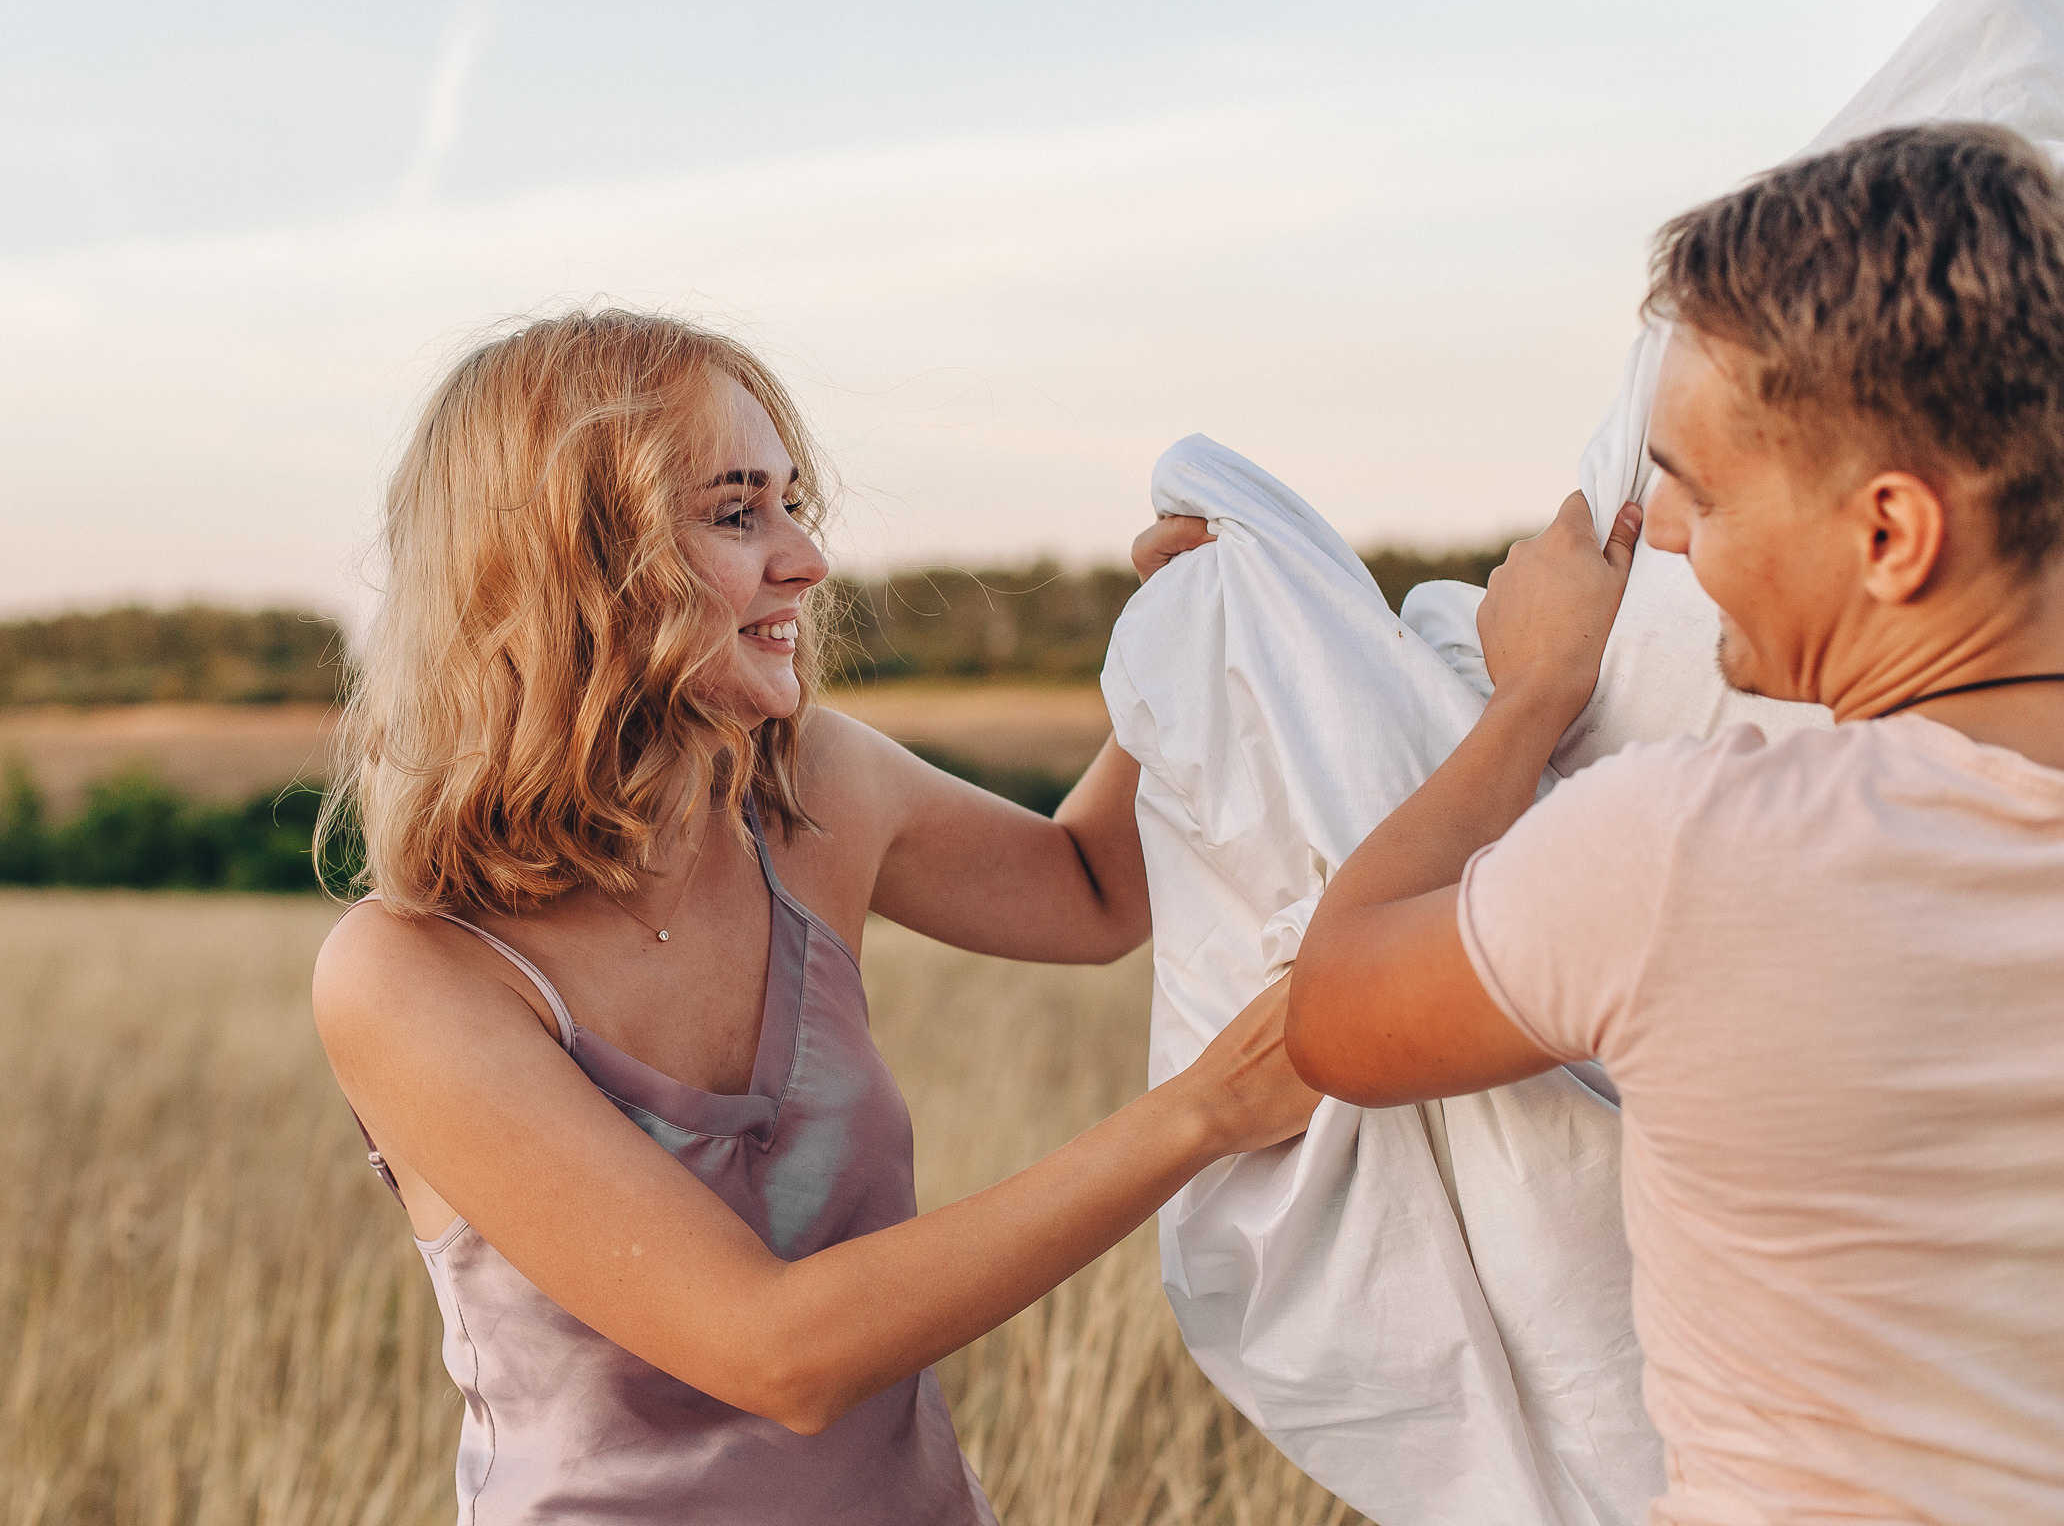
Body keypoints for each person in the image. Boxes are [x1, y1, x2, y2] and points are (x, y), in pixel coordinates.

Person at [309, 309, 1317, 1524]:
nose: (806, 559)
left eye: (795, 505)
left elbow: (1094, 888)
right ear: (569, 564)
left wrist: (1189, 632)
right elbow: (776, 1352)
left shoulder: (812, 788)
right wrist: (1205, 1112)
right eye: (737, 514)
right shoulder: (410, 971)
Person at [1276, 122, 2064, 1521]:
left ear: (1891, 533)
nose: (1679, 541)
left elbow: (1333, 1012)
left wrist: (1531, 699)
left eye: (1698, 484)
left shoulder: (1692, 853)